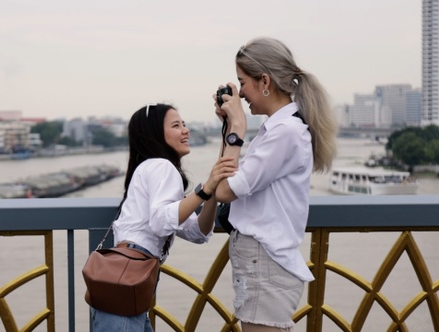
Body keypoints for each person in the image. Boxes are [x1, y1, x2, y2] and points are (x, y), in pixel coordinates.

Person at [213, 37, 338, 332]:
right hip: (262, 262)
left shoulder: (285, 133)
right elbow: (223, 178)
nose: (241, 93)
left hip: (264, 262)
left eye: (243, 83)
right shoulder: (278, 130)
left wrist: (238, 128)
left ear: (265, 81)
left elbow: (224, 190)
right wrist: (230, 128)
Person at [90, 103, 236, 331]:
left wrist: (212, 195)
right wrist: (205, 189)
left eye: (184, 124)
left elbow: (198, 232)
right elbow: (161, 223)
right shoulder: (161, 167)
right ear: (154, 134)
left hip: (129, 281)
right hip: (129, 279)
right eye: (176, 125)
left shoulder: (151, 168)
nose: (185, 130)